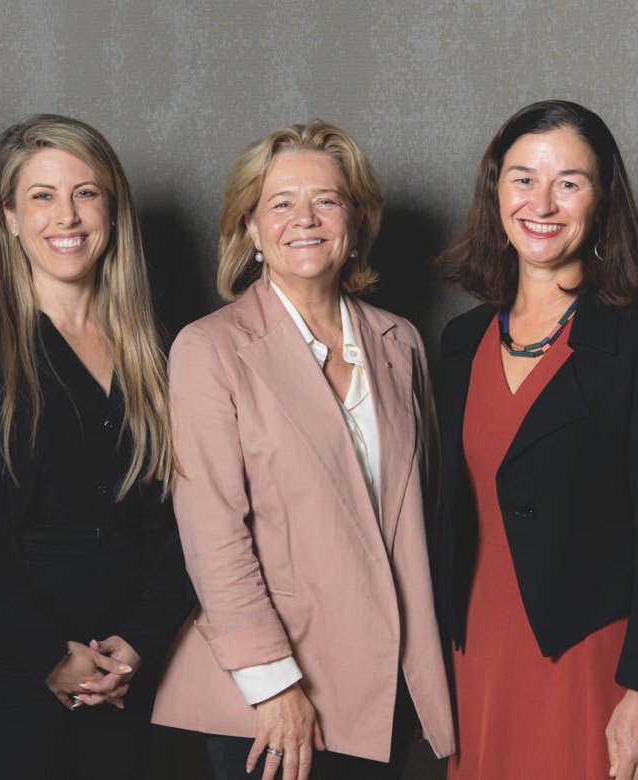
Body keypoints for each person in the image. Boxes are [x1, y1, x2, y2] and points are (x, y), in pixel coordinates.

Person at [151, 120, 454, 780]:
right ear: (251, 229)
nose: (305, 219)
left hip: (387, 686)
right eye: (280, 202)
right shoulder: (210, 350)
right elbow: (213, 535)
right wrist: (274, 686)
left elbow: (423, 517)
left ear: (355, 220)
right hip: (277, 701)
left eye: (327, 199)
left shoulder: (399, 343)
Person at [434, 99, 638, 780]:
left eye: (569, 182)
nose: (542, 203)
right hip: (474, 657)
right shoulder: (460, 343)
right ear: (494, 189)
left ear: (603, 199)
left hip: (589, 658)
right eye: (523, 178)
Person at [0, 114, 192, 779]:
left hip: (126, 672)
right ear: (9, 216)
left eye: (86, 192)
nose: (66, 216)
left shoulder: (162, 351)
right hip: (5, 678)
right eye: (42, 195)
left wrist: (138, 642)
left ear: (112, 209)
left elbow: (189, 519)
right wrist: (51, 655)